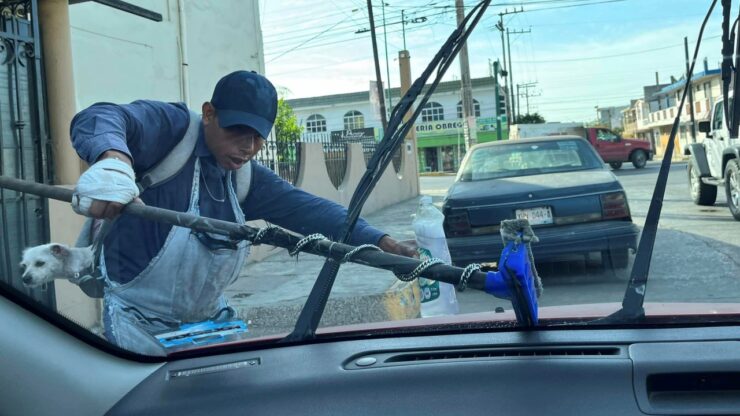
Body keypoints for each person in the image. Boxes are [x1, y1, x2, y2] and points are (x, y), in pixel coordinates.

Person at [70, 70, 415, 354]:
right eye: (236, 131)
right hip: (136, 320)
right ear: (209, 113)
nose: (248, 147)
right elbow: (98, 117)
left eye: (258, 137)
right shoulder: (170, 130)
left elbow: (313, 212)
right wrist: (114, 165)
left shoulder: (245, 179)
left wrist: (382, 244)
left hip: (209, 322)